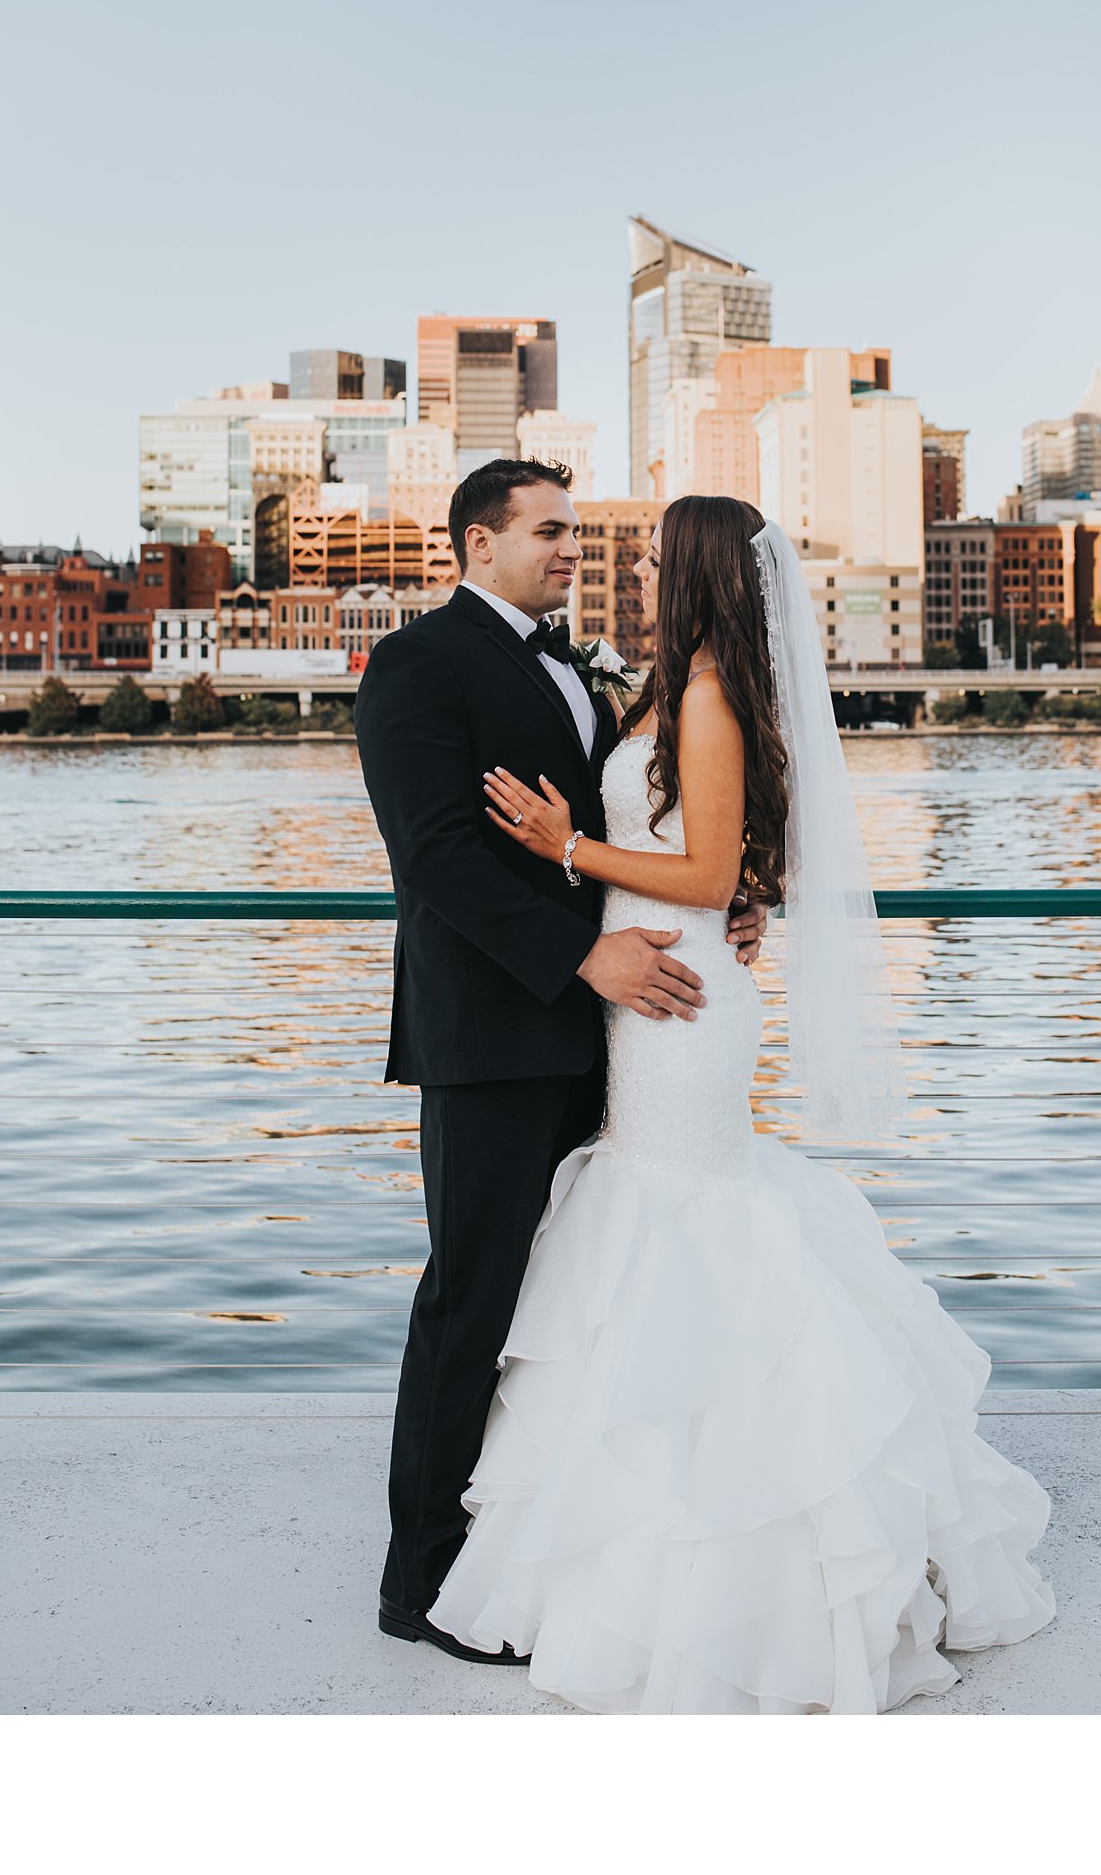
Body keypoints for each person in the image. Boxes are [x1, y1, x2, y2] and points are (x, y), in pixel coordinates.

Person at [424, 493, 1058, 1712]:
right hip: (646, 987)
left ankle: (738, 1546)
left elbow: (709, 872)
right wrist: (703, 898)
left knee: (689, 1223)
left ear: (697, 570)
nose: (631, 563)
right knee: (659, 1226)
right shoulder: (670, 686)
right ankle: (656, 1514)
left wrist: (570, 847)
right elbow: (723, 866)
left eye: (654, 554)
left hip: (681, 1010)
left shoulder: (706, 697)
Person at [353, 460, 767, 1664]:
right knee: (472, 1296)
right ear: (477, 543)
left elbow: (681, 828)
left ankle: (536, 1546)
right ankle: (419, 1580)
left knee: (569, 1298)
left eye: (581, 531)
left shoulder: (590, 670)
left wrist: (726, 910)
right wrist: (581, 959)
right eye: (549, 531)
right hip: (493, 1029)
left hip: (613, 1031)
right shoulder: (417, 663)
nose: (573, 548)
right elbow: (434, 855)